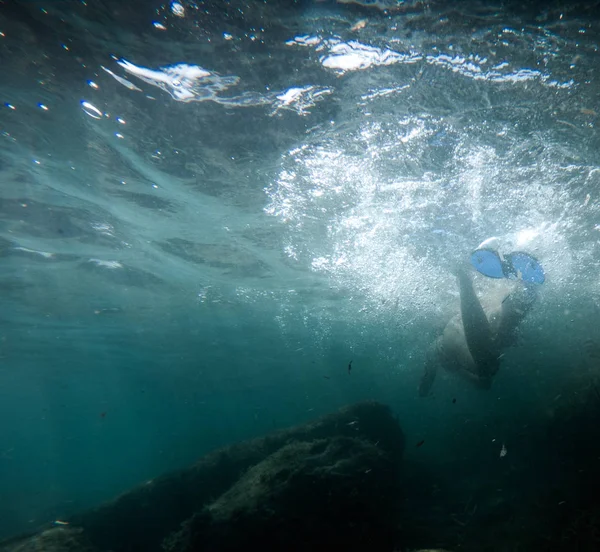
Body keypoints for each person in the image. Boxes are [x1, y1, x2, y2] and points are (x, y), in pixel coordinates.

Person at [418, 247, 543, 396]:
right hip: (483, 333)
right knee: (497, 332)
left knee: (487, 360)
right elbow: (484, 383)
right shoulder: (439, 345)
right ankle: (524, 285)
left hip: (478, 336)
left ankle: (467, 279)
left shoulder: (439, 346)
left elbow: (484, 384)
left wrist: (453, 372)